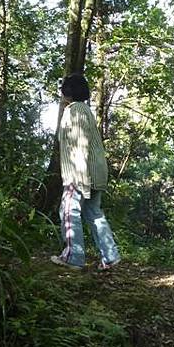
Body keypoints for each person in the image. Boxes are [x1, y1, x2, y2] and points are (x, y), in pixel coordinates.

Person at [50, 73, 121, 271]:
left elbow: (79, 144)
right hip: (95, 171)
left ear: (69, 91)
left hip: (80, 172)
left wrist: (78, 177)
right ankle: (110, 256)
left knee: (68, 211)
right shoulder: (85, 110)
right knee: (94, 213)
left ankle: (74, 257)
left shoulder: (74, 110)